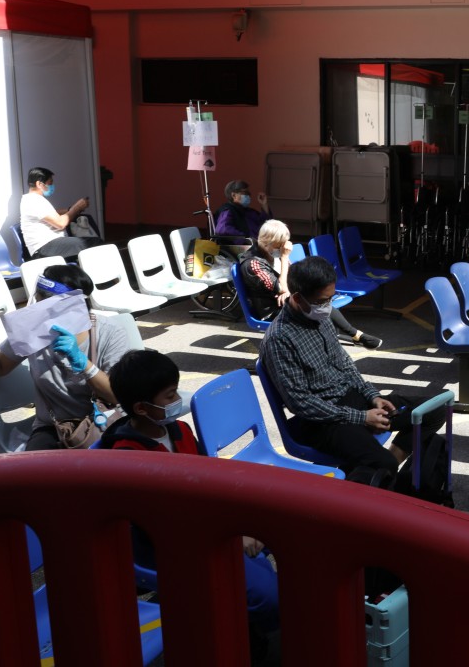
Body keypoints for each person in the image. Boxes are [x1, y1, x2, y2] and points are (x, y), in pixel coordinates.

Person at [99, 349, 279, 635]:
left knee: (285, 527)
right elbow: (166, 520)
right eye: (170, 396)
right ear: (142, 408)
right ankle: (247, 631)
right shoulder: (129, 458)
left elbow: (207, 483)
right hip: (174, 540)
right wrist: (231, 534)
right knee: (268, 596)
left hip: (204, 523)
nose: (178, 400)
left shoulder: (179, 430)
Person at [260, 256, 446, 478]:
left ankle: (373, 476)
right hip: (321, 421)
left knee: (436, 409)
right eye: (322, 301)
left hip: (352, 402)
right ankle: (374, 476)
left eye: (331, 298)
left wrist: (373, 396)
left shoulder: (321, 317)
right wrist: (362, 417)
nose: (327, 306)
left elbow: (346, 365)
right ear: (298, 298)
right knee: (381, 463)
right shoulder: (279, 339)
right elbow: (301, 404)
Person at [0, 265, 129, 451]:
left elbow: (117, 394)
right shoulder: (33, 331)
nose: (36, 309)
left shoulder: (109, 333)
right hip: (53, 427)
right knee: (34, 477)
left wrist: (85, 365)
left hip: (104, 419)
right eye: (37, 300)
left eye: (43, 303)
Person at [239, 219, 381, 348]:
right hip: (272, 308)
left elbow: (294, 276)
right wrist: (284, 259)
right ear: (268, 242)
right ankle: (354, 335)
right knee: (314, 303)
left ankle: (354, 335)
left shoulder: (272, 252)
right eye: (281, 244)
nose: (286, 246)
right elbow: (282, 287)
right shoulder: (253, 264)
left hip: (288, 299)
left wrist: (288, 289)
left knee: (317, 298)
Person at [20, 167, 104, 259]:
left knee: (90, 242)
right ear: (39, 184)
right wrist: (77, 207)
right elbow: (61, 223)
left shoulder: (34, 200)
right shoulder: (33, 201)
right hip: (45, 249)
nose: (52, 186)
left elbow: (53, 213)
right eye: (50, 183)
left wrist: (70, 209)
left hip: (52, 244)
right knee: (96, 244)